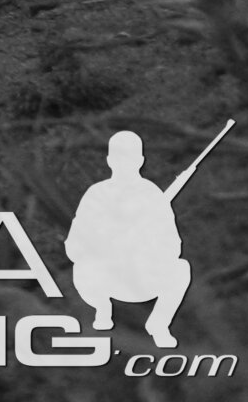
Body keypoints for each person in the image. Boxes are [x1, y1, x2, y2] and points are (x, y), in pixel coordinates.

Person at [66, 128, 195, 347]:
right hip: (106, 277)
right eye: (119, 156)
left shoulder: (152, 195)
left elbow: (173, 245)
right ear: (109, 160)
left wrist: (146, 243)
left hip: (143, 277)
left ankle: (159, 324)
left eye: (130, 156)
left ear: (140, 160)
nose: (124, 162)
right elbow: (74, 245)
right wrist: (106, 243)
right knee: (82, 269)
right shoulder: (96, 194)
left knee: (181, 269)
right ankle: (102, 310)